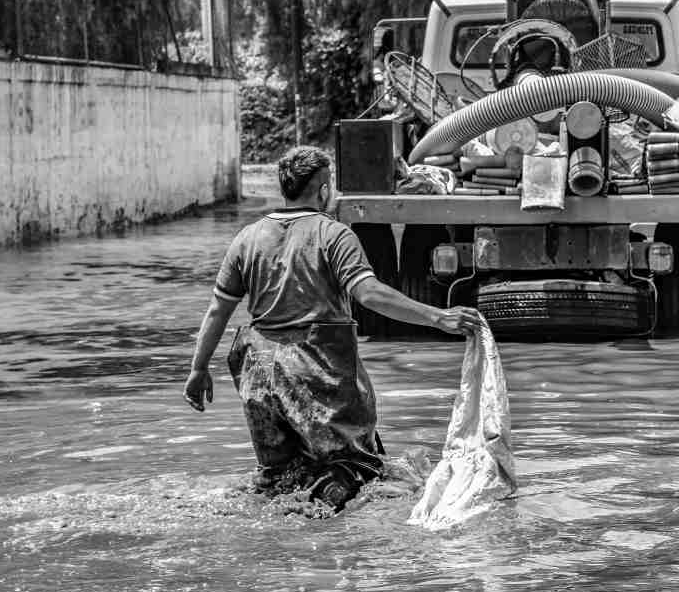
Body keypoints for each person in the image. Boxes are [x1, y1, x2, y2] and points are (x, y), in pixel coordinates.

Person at [184, 146, 484, 511]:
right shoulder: (333, 235)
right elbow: (369, 293)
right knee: (353, 474)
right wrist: (439, 316)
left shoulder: (247, 238)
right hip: (316, 372)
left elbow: (218, 310)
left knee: (280, 479)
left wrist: (198, 369)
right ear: (324, 189)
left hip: (259, 377)